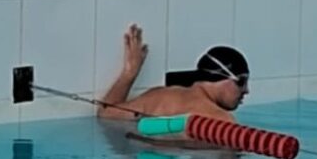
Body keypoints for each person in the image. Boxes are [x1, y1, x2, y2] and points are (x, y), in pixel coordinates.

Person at [97, 24, 249, 123]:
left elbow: (105, 114)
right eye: (241, 82)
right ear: (219, 78)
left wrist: (129, 73)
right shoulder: (222, 119)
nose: (246, 90)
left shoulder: (157, 97)